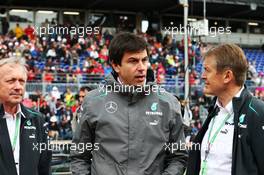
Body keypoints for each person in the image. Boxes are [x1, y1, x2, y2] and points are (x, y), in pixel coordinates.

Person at [71, 32, 187, 175]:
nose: (141, 67)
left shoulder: (168, 103)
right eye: (133, 61)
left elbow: (178, 157)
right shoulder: (93, 102)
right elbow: (79, 157)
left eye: (144, 60)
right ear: (115, 65)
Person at [186, 43, 264, 175]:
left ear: (227, 76)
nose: (203, 76)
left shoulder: (258, 113)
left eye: (207, 70)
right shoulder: (214, 109)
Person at [0, 57, 52, 175]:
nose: (18, 87)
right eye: (11, 81)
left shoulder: (37, 120)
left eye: (22, 81)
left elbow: (45, 165)